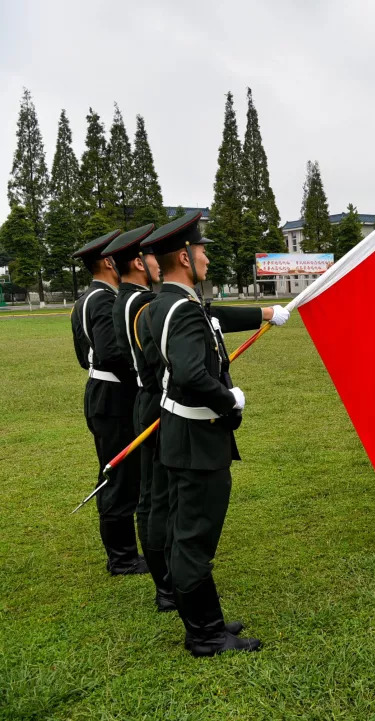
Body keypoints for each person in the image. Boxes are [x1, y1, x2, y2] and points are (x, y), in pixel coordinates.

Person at [142, 210, 289, 656]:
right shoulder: (180, 310)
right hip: (197, 438)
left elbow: (213, 318)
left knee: (190, 533)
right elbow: (189, 372)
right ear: (184, 257)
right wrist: (229, 399)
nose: (206, 256)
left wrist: (264, 312)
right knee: (194, 538)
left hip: (182, 434)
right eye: (201, 249)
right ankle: (204, 636)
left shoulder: (167, 304)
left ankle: (207, 619)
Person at [71, 229, 148, 576]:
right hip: (114, 397)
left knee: (121, 471)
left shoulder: (86, 299)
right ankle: (122, 558)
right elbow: (111, 352)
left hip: (104, 393)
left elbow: (83, 356)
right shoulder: (103, 299)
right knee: (118, 474)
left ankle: (125, 553)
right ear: (108, 261)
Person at [100, 224, 169, 601]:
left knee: (151, 493)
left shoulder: (126, 297)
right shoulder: (141, 302)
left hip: (142, 397)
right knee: (154, 496)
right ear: (140, 263)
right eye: (153, 255)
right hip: (152, 397)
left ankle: (165, 577)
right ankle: (165, 583)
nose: (158, 262)